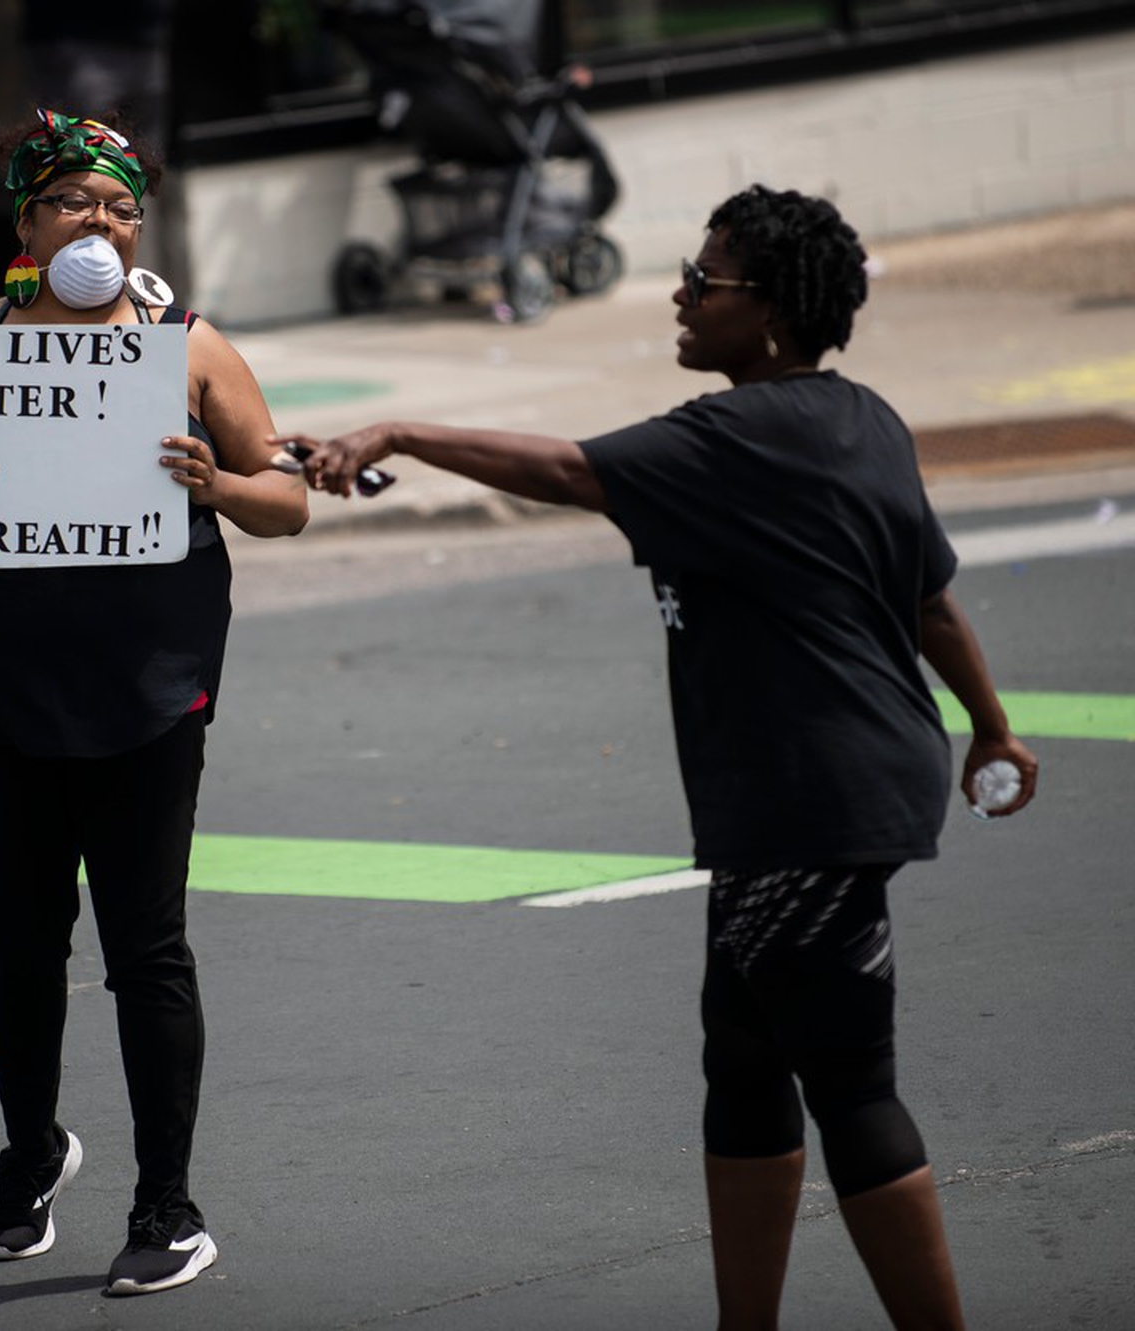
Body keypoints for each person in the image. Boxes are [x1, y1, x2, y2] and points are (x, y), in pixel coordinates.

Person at [279, 185, 1037, 1330]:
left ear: (772, 313)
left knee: (849, 1082)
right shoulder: (864, 415)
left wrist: (399, 432)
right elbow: (927, 598)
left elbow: (570, 471)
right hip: (808, 788)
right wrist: (989, 720)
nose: (679, 293)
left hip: (810, 796)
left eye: (706, 279)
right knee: (741, 1063)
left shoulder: (730, 439)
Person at [0, 109, 307, 1297]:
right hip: (0, 680)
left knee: (147, 948)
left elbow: (286, 499)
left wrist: (219, 481)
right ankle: (29, 1158)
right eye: (75, 201)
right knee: (18, 939)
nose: (101, 224)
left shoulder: (186, 346)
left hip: (148, 681)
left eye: (121, 206)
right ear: (26, 221)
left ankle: (167, 1205)